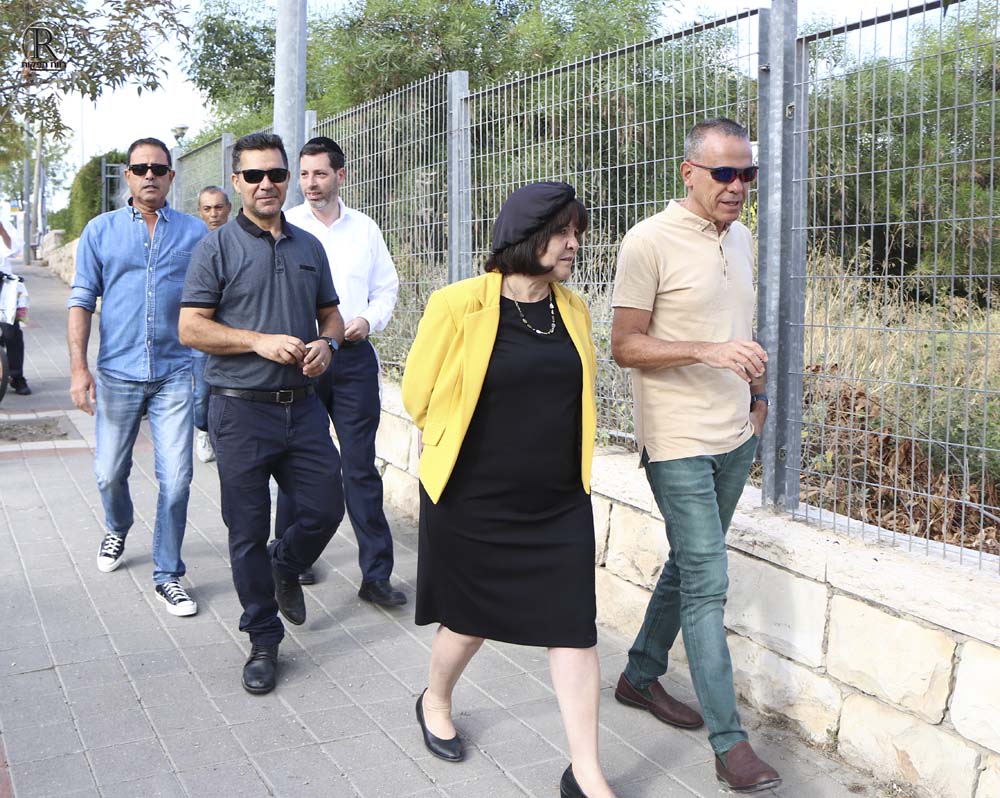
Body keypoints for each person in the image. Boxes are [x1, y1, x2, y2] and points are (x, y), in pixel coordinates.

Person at [402, 182, 615, 798]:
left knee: (573, 628)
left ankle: (586, 773)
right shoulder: (457, 304)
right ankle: (435, 699)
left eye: (577, 232)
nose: (574, 244)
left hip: (558, 500)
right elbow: (418, 395)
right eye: (562, 232)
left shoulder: (572, 309)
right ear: (526, 236)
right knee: (469, 624)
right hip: (473, 497)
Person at [610, 117, 780, 793]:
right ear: (689, 173)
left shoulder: (742, 237)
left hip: (735, 434)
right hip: (677, 439)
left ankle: (639, 674)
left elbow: (740, 328)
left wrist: (757, 402)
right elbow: (625, 345)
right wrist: (706, 352)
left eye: (748, 174)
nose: (737, 187)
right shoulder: (647, 240)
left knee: (689, 562)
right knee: (708, 579)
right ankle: (730, 745)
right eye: (724, 173)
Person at [179, 132, 346, 695]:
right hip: (239, 411)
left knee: (327, 506)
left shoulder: (308, 246)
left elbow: (331, 314)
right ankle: (263, 639)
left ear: (287, 178)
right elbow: (190, 327)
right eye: (254, 176)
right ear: (237, 182)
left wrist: (328, 344)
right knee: (247, 531)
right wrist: (256, 341)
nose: (266, 184)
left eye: (275, 173)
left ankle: (286, 563)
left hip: (302, 408)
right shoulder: (217, 248)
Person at [67, 137, 207, 617]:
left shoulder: (195, 233)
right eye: (141, 168)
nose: (150, 175)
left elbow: (214, 301)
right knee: (109, 472)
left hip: (176, 371)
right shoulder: (100, 231)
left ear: (171, 176)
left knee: (178, 479)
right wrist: (79, 369)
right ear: (127, 175)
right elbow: (81, 300)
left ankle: (168, 575)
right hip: (117, 372)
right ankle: (118, 526)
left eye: (158, 168)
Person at [274, 136, 403, 599]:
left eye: (320, 174)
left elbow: (386, 288)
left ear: (340, 176)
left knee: (359, 465)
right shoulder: (285, 226)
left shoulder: (364, 229)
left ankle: (376, 576)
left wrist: (367, 320)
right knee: (298, 463)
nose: (310, 183)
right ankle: (293, 559)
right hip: (302, 359)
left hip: (352, 360)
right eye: (305, 174)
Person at [192, 186, 232, 463]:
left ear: (228, 208)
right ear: (200, 212)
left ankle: (226, 439)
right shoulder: (193, 244)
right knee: (202, 393)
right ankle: (203, 430)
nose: (214, 214)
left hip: (234, 330)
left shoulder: (239, 240)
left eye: (218, 207)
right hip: (203, 332)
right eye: (207, 208)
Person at [0, 212, 30, 396]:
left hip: (3, 282)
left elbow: (14, 249)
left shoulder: (2, 220)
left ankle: (16, 377)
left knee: (11, 331)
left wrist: (2, 231)